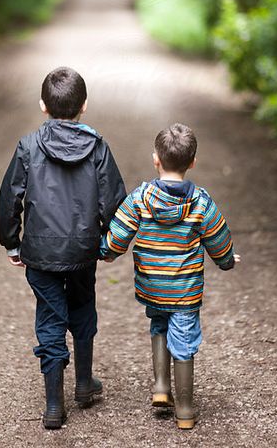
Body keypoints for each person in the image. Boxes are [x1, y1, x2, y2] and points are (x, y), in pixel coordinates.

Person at [0, 66, 126, 429]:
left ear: (43, 106)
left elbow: (10, 198)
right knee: (83, 305)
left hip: (39, 252)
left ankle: (55, 406)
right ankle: (84, 384)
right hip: (84, 250)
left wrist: (12, 242)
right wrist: (109, 242)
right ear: (83, 106)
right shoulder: (98, 147)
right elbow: (115, 201)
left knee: (50, 319)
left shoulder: (28, 146)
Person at [100, 123, 240, 430]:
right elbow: (218, 238)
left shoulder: (140, 198)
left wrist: (107, 250)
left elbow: (120, 230)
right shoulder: (201, 202)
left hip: (153, 285)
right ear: (192, 162)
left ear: (156, 159)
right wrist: (227, 260)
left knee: (159, 326)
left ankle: (162, 387)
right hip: (184, 290)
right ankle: (186, 410)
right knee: (184, 342)